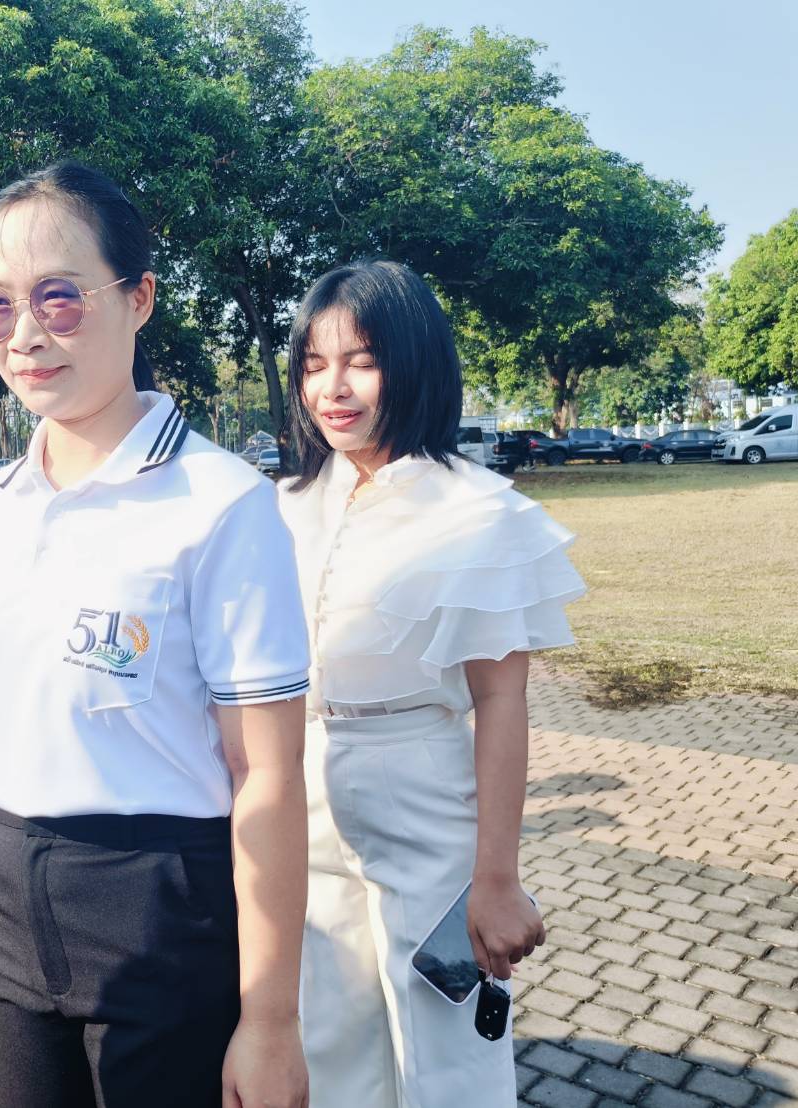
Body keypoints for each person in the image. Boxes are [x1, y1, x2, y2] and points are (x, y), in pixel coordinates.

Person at [0, 162, 311, 1108]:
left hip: (161, 907)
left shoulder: (221, 504)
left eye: (59, 298)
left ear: (137, 299)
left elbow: (265, 776)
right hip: (7, 901)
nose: (23, 335)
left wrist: (269, 1022)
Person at [276, 261, 586, 1107]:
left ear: (413, 363)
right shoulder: (286, 504)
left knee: (445, 1056)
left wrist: (495, 878)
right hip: (300, 792)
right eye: (313, 362)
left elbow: (499, 700)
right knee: (328, 1039)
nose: (332, 387)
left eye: (361, 359)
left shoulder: (477, 513)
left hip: (421, 790)